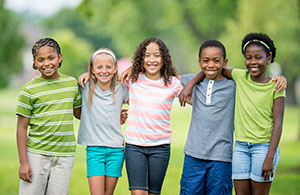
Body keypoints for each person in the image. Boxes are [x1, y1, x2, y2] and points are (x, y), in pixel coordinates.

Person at [180, 33, 286, 195]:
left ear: (269, 59)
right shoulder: (239, 77)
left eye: (258, 57)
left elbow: (278, 123)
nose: (253, 62)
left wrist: (281, 78)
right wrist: (191, 84)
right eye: (249, 58)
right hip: (236, 148)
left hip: (250, 150)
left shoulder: (263, 85)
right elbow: (209, 70)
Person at [79, 37, 182, 195]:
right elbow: (105, 77)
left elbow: (191, 93)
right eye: (147, 55)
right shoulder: (131, 80)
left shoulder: (171, 82)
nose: (152, 59)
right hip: (134, 146)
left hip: (159, 146)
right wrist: (89, 72)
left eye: (157, 55)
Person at [16, 38, 82, 195]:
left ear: (60, 57)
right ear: (34, 62)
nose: (47, 63)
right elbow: (21, 127)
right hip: (37, 155)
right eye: (41, 59)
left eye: (51, 57)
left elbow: (80, 114)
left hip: (64, 155)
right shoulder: (28, 90)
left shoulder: (71, 84)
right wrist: (23, 162)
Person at [179, 40, 236, 195]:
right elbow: (163, 76)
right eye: (206, 60)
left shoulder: (234, 85)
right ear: (199, 62)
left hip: (221, 157)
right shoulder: (192, 82)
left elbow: (257, 80)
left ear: (225, 62)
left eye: (216, 61)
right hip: (193, 155)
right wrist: (191, 83)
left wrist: (280, 79)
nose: (211, 65)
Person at [77, 48, 129, 195]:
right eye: (99, 67)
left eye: (108, 67)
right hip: (95, 150)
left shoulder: (122, 89)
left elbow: (140, 102)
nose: (104, 71)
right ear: (92, 70)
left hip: (116, 150)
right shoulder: (84, 87)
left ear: (115, 69)